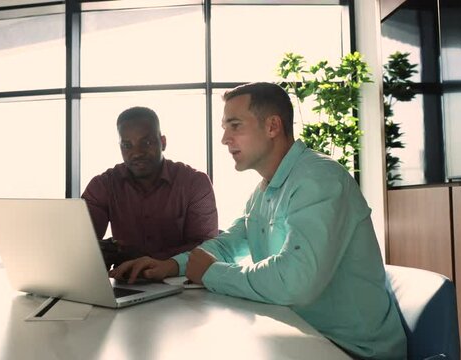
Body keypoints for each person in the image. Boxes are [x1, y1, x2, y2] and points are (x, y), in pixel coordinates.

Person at [110, 83, 407, 359]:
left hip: (350, 350)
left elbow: (295, 281)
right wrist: (172, 265)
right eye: (225, 128)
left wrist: (212, 273)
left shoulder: (319, 179)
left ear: (272, 126)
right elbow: (232, 243)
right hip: (300, 336)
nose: (225, 138)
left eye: (235, 126)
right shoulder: (266, 188)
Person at [82, 106, 219, 268]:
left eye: (146, 142)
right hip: (127, 284)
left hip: (183, 282)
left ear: (163, 142)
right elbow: (81, 242)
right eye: (127, 145)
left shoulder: (194, 182)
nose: (137, 152)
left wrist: (148, 260)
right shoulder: (104, 185)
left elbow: (206, 248)